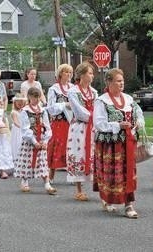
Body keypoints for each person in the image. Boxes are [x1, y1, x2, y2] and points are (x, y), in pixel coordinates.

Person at [93, 68, 144, 218]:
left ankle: (129, 204)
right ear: (109, 82)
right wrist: (117, 126)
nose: (121, 84)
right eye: (118, 81)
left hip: (128, 143)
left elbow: (139, 113)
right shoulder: (102, 101)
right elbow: (99, 123)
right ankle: (108, 199)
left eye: (122, 81)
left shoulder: (128, 99)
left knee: (128, 172)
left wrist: (138, 123)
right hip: (111, 144)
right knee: (112, 174)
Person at [13, 87, 56, 194]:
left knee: (42, 162)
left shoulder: (42, 111)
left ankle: (47, 184)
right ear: (29, 97)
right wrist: (34, 141)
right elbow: (25, 128)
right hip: (30, 141)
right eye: (34, 97)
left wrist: (45, 141)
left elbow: (47, 126)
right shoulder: (25, 111)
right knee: (27, 161)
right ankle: (24, 181)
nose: (36, 99)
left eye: (38, 97)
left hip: (41, 140)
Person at [66, 62, 97, 201]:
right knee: (78, 154)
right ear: (82, 75)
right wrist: (93, 116)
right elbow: (78, 111)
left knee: (94, 154)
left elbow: (99, 108)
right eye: (89, 73)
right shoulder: (73, 92)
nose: (92, 76)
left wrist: (97, 119)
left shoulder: (94, 92)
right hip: (79, 127)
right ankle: (79, 188)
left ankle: (97, 184)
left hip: (93, 127)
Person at [46, 64, 73, 183]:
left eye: (70, 72)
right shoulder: (54, 89)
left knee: (71, 148)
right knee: (56, 147)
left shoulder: (73, 88)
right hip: (59, 122)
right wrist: (64, 105)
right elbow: (51, 108)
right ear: (61, 74)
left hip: (72, 123)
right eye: (66, 72)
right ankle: (51, 176)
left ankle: (73, 175)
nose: (68, 75)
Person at [10, 93, 26, 160]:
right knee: (17, 143)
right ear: (15, 102)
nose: (20, 104)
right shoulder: (14, 112)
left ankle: (23, 158)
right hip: (17, 130)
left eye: (22, 102)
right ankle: (17, 158)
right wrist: (22, 127)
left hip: (23, 129)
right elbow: (16, 122)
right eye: (18, 102)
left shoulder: (24, 111)